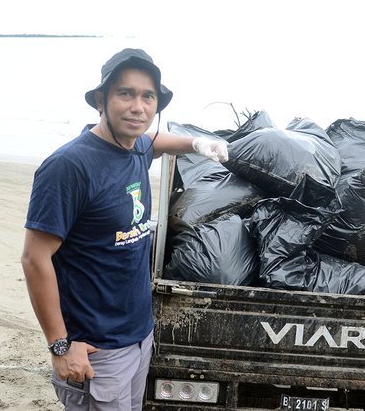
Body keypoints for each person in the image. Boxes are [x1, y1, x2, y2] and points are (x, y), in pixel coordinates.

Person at [21, 48, 228, 410]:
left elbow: (155, 143)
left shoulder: (134, 147)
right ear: (101, 100)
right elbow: (34, 259)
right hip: (96, 349)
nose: (138, 107)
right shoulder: (69, 167)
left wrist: (196, 144)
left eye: (148, 96)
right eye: (125, 94)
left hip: (137, 336)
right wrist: (59, 345)